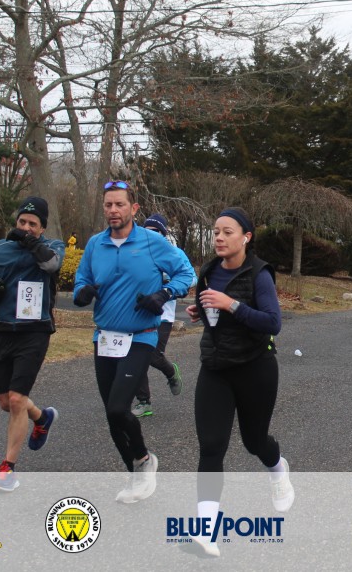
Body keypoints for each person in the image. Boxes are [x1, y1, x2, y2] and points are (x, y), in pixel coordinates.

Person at [73, 181, 195, 503]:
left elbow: (186, 273)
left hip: (141, 337)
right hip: (105, 338)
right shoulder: (95, 244)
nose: (114, 210)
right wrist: (82, 292)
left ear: (133, 208)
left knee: (118, 407)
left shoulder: (152, 242)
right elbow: (82, 280)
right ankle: (135, 474)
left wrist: (164, 294)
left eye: (120, 204)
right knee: (112, 413)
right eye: (108, 205)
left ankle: (143, 459)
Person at [185, 207, 293, 556]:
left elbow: (272, 323)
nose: (219, 237)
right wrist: (201, 312)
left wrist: (230, 304)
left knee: (254, 441)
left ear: (246, 237)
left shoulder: (260, 274)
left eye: (227, 232)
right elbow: (213, 313)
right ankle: (206, 533)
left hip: (255, 368)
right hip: (215, 368)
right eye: (216, 231)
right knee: (211, 446)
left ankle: (278, 469)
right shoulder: (209, 271)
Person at [0, 196, 65, 491]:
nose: (26, 227)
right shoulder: (0, 248)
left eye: (33, 224)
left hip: (34, 332)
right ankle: (41, 417)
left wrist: (29, 241)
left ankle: (7, 470)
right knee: (6, 402)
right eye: (22, 222)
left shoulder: (52, 247)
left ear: (42, 227)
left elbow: (51, 265)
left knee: (16, 399)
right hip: (3, 331)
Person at [131, 214, 184, 418]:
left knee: (153, 356)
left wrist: (167, 287)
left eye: (155, 232)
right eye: (146, 231)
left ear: (162, 234)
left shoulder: (173, 254)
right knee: (137, 357)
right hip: (141, 315)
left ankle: (171, 372)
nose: (150, 235)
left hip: (164, 316)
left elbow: (189, 279)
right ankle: (144, 401)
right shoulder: (136, 253)